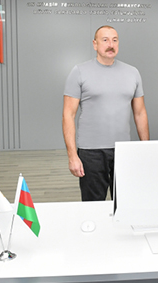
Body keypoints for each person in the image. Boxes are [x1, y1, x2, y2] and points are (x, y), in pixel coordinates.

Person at [62, 25, 150, 201]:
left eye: (114, 40)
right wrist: (72, 156)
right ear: (95, 44)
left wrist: (146, 148)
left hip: (124, 151)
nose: (111, 44)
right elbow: (68, 115)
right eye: (105, 40)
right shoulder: (79, 72)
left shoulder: (132, 73)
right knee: (93, 206)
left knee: (125, 204)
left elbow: (140, 113)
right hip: (91, 153)